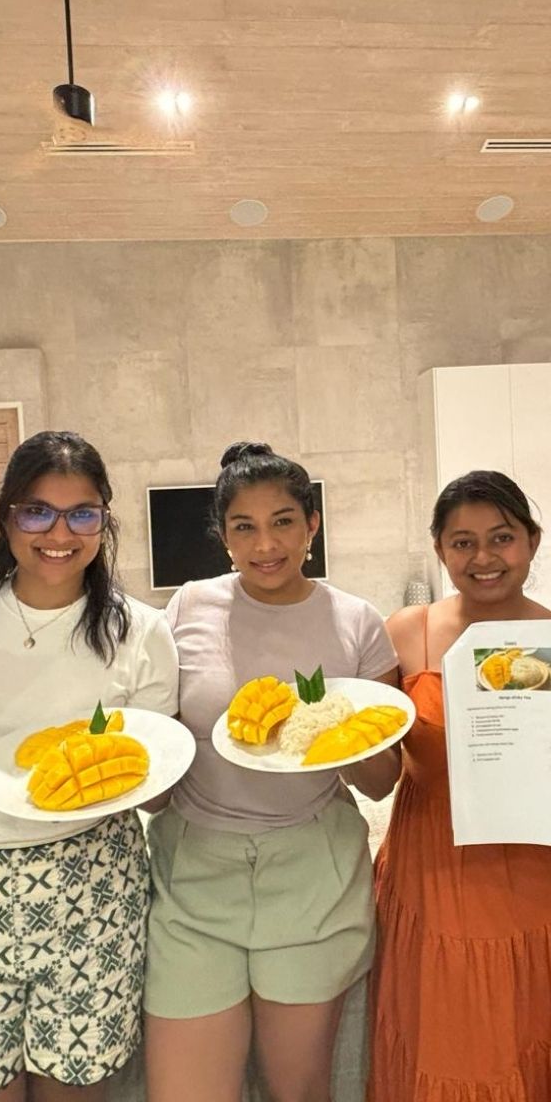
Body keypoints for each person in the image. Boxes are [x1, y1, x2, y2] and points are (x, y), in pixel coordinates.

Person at [0, 430, 179, 1102]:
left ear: (104, 521)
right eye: (37, 512)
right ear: (5, 517)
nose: (60, 534)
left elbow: (156, 785)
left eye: (82, 513)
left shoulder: (139, 630)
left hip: (94, 890)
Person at [143, 441, 400, 1102]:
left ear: (312, 524)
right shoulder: (187, 608)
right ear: (223, 536)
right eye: (244, 527)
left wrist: (342, 731)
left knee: (299, 1090)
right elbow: (162, 748)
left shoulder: (357, 621)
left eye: (283, 521)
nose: (265, 544)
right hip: (195, 873)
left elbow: (381, 781)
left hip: (311, 870)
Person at [368, 470, 551, 1102]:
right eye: (462, 542)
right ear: (440, 549)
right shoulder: (407, 631)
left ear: (531, 541)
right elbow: (376, 766)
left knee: (526, 1028)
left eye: (502, 537)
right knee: (445, 1038)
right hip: (433, 866)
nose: (483, 557)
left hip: (535, 867)